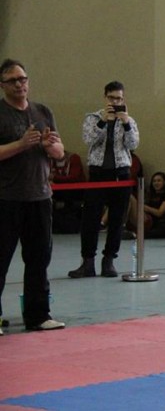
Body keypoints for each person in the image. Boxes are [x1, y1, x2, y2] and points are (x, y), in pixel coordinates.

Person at [0, 58, 66, 333]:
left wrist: (50, 146)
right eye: (13, 80)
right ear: (3, 85)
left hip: (39, 197)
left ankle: (38, 315)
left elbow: (60, 152)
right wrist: (21, 144)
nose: (20, 85)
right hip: (6, 198)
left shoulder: (42, 111)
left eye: (23, 79)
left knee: (39, 259)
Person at [69, 81, 140, 279]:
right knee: (90, 220)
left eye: (119, 99)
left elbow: (133, 144)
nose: (115, 102)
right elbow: (88, 140)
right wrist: (103, 122)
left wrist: (125, 123)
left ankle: (109, 260)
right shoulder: (92, 118)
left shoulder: (129, 120)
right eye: (112, 98)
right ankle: (87, 262)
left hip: (121, 174)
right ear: (105, 97)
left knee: (117, 220)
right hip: (98, 174)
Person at [49, 149, 86, 234]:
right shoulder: (49, 160)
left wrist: (54, 178)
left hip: (75, 191)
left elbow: (74, 178)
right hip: (57, 191)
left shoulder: (73, 158)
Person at [136, 171, 165, 238]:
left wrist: (145, 207)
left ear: (164, 182)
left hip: (162, 224)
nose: (156, 183)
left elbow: (160, 213)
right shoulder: (149, 195)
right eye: (154, 181)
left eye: (159, 181)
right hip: (148, 221)